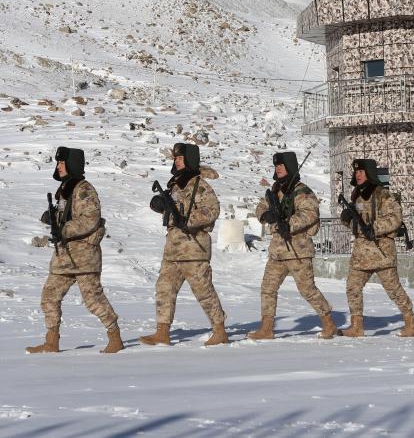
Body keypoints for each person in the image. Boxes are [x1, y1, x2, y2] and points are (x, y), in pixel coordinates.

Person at [27, 146, 123, 354]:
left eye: (62, 163)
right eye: (58, 163)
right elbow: (67, 216)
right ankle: (51, 342)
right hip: (64, 255)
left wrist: (63, 228)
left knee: (93, 300)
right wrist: (52, 218)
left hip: (84, 256)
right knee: (49, 296)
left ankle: (115, 337)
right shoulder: (65, 189)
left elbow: (90, 220)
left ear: (72, 164)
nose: (58, 167)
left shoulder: (84, 190)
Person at [139, 143, 228, 346]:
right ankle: (162, 332)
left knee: (203, 290)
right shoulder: (175, 185)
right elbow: (176, 212)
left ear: (189, 160)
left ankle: (219, 330)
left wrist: (189, 220)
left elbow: (212, 210)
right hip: (173, 248)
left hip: (194, 248)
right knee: (164, 288)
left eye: (180, 158)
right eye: (175, 158)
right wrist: (162, 207)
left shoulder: (199, 185)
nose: (176, 161)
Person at [248, 151, 340, 340]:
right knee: (267, 288)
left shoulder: (302, 191)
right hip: (277, 251)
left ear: (290, 167)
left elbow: (310, 214)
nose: (278, 169)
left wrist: (288, 223)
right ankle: (266, 328)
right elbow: (261, 206)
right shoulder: (275, 191)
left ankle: (329, 323)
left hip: (298, 250)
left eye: (281, 165)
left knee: (307, 290)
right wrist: (266, 215)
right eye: (276, 166)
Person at [339, 159, 414, 337]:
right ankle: (357, 326)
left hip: (382, 252)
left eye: (361, 172)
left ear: (369, 173)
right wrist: (347, 219)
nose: (358, 175)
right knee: (352, 287)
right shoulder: (356, 196)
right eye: (356, 172)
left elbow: (395, 218)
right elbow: (357, 225)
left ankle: (411, 323)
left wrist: (374, 227)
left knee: (394, 290)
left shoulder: (383, 195)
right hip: (361, 253)